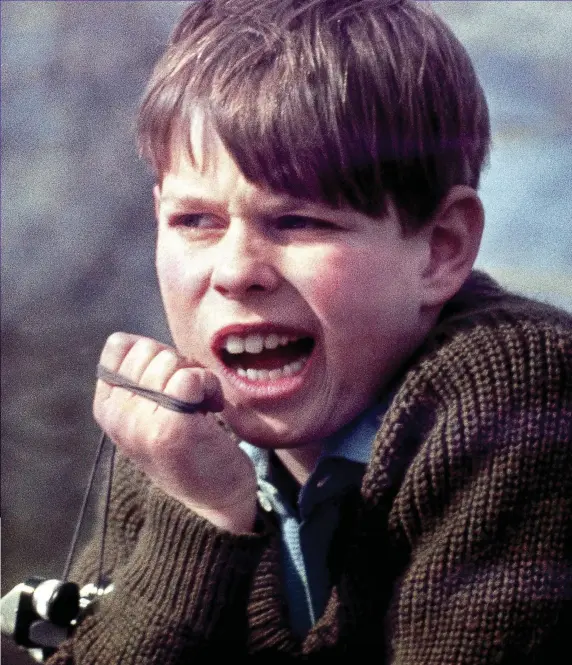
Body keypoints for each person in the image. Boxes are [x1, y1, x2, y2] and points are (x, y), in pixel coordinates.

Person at [48, 0, 572, 662]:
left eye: (299, 221)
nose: (235, 271)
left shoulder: (520, 391)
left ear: (441, 248)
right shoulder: (176, 439)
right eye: (195, 221)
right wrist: (201, 516)